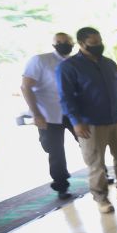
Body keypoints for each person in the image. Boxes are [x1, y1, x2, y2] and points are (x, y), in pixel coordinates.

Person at [57, 27, 117, 213]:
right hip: (90, 124)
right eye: (93, 44)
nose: (98, 46)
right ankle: (101, 198)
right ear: (81, 44)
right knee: (96, 164)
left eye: (99, 42)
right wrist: (76, 122)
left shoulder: (109, 64)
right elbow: (66, 97)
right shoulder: (68, 67)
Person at [21, 32, 76, 200]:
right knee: (55, 151)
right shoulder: (40, 60)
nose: (63, 44)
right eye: (59, 42)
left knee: (90, 144)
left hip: (73, 112)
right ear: (53, 44)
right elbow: (26, 87)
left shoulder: (75, 62)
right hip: (49, 114)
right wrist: (36, 114)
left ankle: (101, 174)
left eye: (66, 41)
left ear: (72, 43)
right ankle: (61, 187)